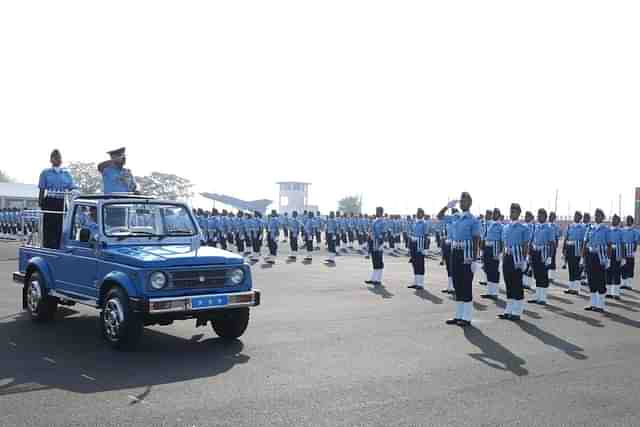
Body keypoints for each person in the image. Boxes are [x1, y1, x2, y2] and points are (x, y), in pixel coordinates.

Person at [438, 193, 481, 327]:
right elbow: (439, 217)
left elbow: (476, 241)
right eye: (461, 201)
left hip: (466, 254)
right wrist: (447, 206)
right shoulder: (455, 217)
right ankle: (458, 315)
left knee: (466, 284)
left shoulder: (473, 220)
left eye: (465, 201)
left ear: (470, 203)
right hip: (455, 252)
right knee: (457, 283)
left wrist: (474, 259)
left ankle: (466, 317)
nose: (462, 203)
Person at [38, 149, 76, 249]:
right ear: (51, 160)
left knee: (61, 227)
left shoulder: (66, 173)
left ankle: (60, 247)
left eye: (59, 157)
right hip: (50, 201)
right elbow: (42, 190)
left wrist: (75, 193)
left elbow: (72, 187)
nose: (57, 159)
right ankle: (48, 247)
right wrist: (40, 204)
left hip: (62, 202)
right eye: (55, 157)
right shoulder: (45, 172)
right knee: (49, 227)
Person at [498, 203, 530, 320]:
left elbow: (525, 245)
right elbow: (503, 243)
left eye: (515, 212)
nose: (512, 214)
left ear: (519, 213)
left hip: (517, 259)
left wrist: (524, 260)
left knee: (517, 284)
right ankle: (508, 310)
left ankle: (517, 311)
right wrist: (502, 256)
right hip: (507, 257)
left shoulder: (524, 228)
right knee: (508, 283)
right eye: (511, 211)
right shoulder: (505, 227)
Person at [583, 209, 609, 312]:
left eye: (599, 215)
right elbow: (585, 243)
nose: (597, 217)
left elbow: (610, 245)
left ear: (603, 217)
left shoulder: (606, 230)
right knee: (591, 279)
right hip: (590, 255)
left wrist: (608, 259)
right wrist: (582, 257)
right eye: (595, 215)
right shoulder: (590, 228)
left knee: (600, 279)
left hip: (600, 256)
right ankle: (593, 304)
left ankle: (600, 305)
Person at [528, 209, 555, 305]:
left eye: (541, 215)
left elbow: (552, 243)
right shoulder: (535, 226)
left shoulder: (549, 228)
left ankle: (542, 298)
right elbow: (531, 241)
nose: (539, 217)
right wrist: (530, 254)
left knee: (543, 275)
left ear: (545, 216)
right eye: (538, 215)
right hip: (535, 252)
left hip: (544, 253)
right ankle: (537, 296)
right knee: (537, 274)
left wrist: (550, 257)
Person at [481, 208, 503, 300]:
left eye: (496, 214)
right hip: (487, 248)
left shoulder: (500, 226)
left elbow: (502, 240)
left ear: (499, 215)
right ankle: (489, 291)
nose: (494, 215)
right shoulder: (489, 224)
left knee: (494, 271)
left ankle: (494, 292)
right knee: (488, 270)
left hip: (495, 249)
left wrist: (499, 252)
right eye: (493, 214)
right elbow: (485, 236)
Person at [563, 211, 586, 295]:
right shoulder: (569, 226)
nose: (575, 217)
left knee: (577, 269)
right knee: (571, 268)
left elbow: (584, 240)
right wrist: (564, 249)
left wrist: (583, 252)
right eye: (575, 216)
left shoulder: (583, 227)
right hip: (570, 248)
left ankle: (576, 289)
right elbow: (566, 238)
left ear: (580, 218)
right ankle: (571, 287)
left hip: (577, 248)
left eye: (578, 216)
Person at [407, 208, 429, 290]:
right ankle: (415, 282)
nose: (418, 214)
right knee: (414, 263)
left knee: (420, 263)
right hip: (413, 243)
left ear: (422, 214)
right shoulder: (414, 223)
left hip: (420, 244)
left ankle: (420, 283)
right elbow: (411, 234)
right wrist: (409, 247)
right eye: (417, 213)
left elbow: (426, 236)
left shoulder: (424, 223)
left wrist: (426, 248)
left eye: (420, 213)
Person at [365, 207, 386, 286]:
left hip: (379, 243)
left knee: (379, 261)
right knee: (374, 260)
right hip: (373, 242)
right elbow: (371, 231)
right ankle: (373, 278)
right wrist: (369, 236)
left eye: (378, 211)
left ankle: (378, 279)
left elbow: (383, 233)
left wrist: (381, 244)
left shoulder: (383, 222)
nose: (376, 212)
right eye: (376, 211)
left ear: (381, 212)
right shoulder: (375, 221)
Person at [605, 215, 623, 300]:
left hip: (617, 253)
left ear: (618, 221)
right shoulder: (608, 230)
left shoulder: (621, 231)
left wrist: (623, 257)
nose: (613, 220)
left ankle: (616, 293)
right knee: (608, 272)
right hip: (608, 252)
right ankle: (608, 292)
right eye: (612, 219)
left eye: (615, 220)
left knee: (616, 273)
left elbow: (623, 244)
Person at [621, 215, 637, 291]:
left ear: (632, 222)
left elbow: (635, 242)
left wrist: (633, 250)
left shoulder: (634, 231)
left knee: (630, 268)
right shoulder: (622, 230)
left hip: (630, 252)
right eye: (627, 220)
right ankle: (624, 283)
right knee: (623, 267)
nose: (628, 221)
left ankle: (629, 284)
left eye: (630, 220)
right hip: (623, 252)